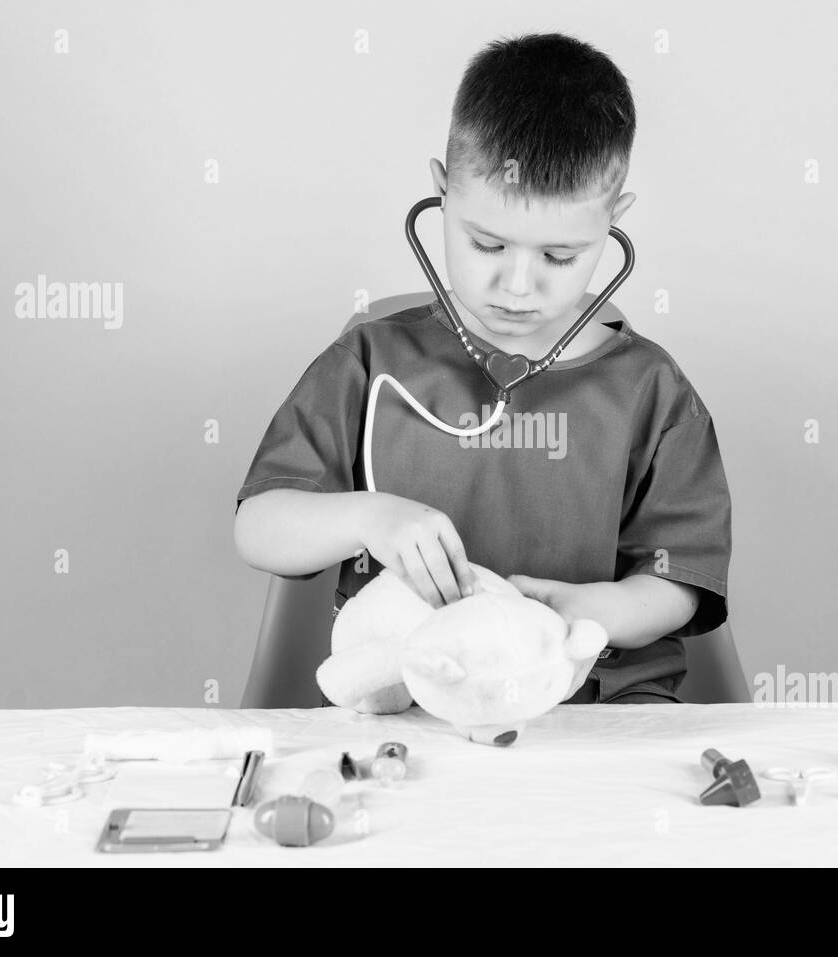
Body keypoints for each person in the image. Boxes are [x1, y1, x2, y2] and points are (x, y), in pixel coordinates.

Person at [234, 33, 732, 704]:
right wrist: (370, 517)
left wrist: (594, 610)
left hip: (595, 716)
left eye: (559, 256)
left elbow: (679, 579)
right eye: (487, 243)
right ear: (442, 193)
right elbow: (258, 526)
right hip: (416, 715)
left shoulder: (652, 392)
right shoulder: (370, 364)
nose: (518, 285)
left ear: (615, 220)